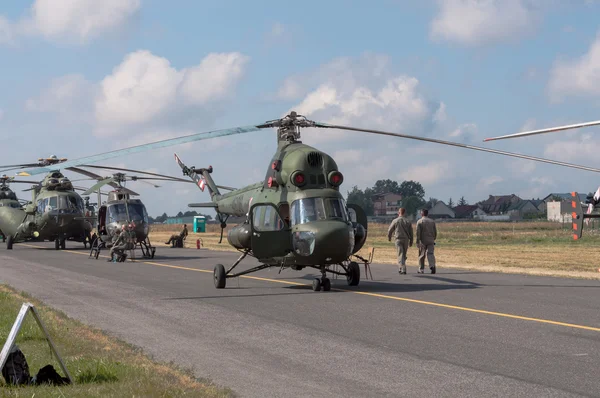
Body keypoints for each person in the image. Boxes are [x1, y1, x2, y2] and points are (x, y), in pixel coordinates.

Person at [387, 208, 413, 274]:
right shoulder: (408, 221)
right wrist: (411, 241)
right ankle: (400, 267)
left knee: (400, 254)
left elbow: (390, 230)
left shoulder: (395, 220)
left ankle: (403, 268)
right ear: (405, 213)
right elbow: (411, 232)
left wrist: (389, 237)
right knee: (403, 254)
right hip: (406, 239)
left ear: (399, 213)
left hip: (398, 239)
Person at [416, 208, 437, 274]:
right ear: (427, 214)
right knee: (430, 254)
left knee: (422, 254)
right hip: (431, 240)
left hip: (423, 240)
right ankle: (432, 266)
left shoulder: (420, 221)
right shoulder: (432, 221)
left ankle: (421, 269)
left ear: (422, 213)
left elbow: (418, 233)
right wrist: (433, 238)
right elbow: (435, 231)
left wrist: (417, 241)